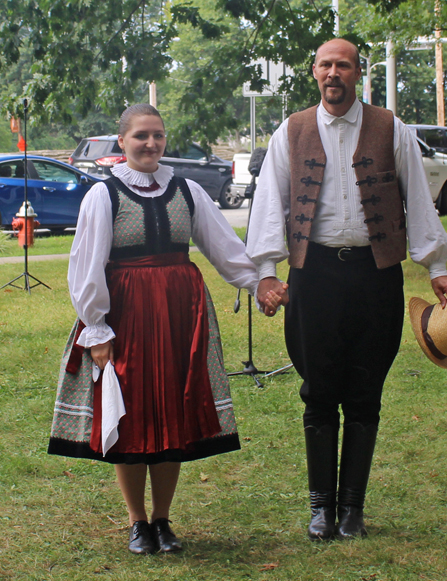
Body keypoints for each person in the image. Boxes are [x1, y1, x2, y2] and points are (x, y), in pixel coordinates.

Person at [246, 39, 447, 541]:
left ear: (359, 73)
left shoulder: (391, 129)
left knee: (365, 394)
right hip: (313, 275)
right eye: (326, 65)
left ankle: (352, 512)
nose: (333, 72)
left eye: (343, 65)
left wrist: (437, 266)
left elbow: (420, 203)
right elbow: (269, 201)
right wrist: (268, 271)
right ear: (314, 72)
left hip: (374, 274)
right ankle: (320, 509)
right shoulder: (292, 131)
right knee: (318, 392)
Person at [48, 103, 281, 555]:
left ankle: (163, 519)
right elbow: (86, 266)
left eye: (157, 135)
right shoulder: (104, 195)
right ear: (123, 142)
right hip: (126, 316)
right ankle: (138, 522)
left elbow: (224, 248)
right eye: (141, 136)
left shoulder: (188, 190)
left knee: (174, 409)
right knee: (130, 413)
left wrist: (259, 285)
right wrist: (96, 329)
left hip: (180, 314)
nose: (150, 143)